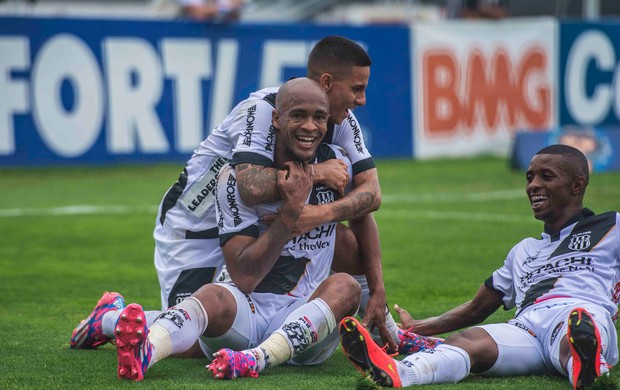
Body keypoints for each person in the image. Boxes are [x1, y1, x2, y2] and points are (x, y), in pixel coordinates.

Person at [108, 77, 360, 381]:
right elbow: (244, 276)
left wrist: (381, 303)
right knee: (210, 297)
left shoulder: (339, 165)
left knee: (346, 286)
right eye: (298, 116)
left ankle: (257, 359)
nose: (310, 127)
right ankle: (144, 351)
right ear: (277, 119)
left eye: (319, 117)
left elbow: (366, 212)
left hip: (306, 322)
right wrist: (291, 214)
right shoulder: (235, 179)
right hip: (247, 311)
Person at [338, 144, 619, 389]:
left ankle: (589, 369)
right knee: (467, 341)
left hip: (580, 312)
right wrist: (417, 328)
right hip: (527, 329)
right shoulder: (522, 250)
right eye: (530, 177)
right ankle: (398, 372)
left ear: (577, 185)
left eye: (546, 176)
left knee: (576, 336)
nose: (533, 185)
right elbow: (476, 309)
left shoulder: (611, 226)